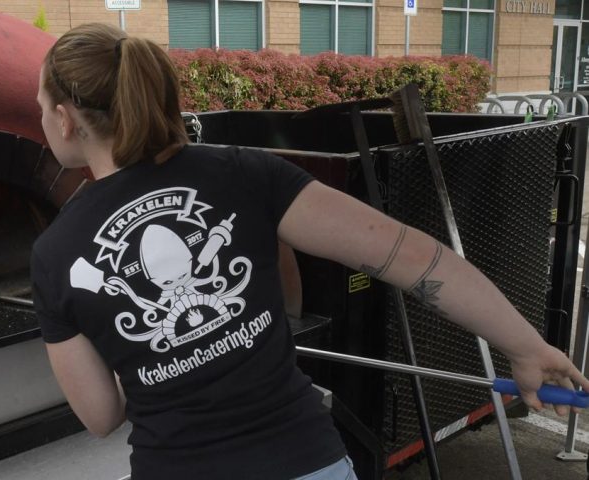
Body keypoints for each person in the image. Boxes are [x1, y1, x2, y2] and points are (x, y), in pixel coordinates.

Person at [30, 23, 589, 480]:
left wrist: (149, 361)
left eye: (40, 107)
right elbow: (415, 259)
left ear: (65, 117)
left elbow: (101, 417)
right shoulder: (245, 171)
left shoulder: (55, 254)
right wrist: (526, 346)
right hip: (307, 462)